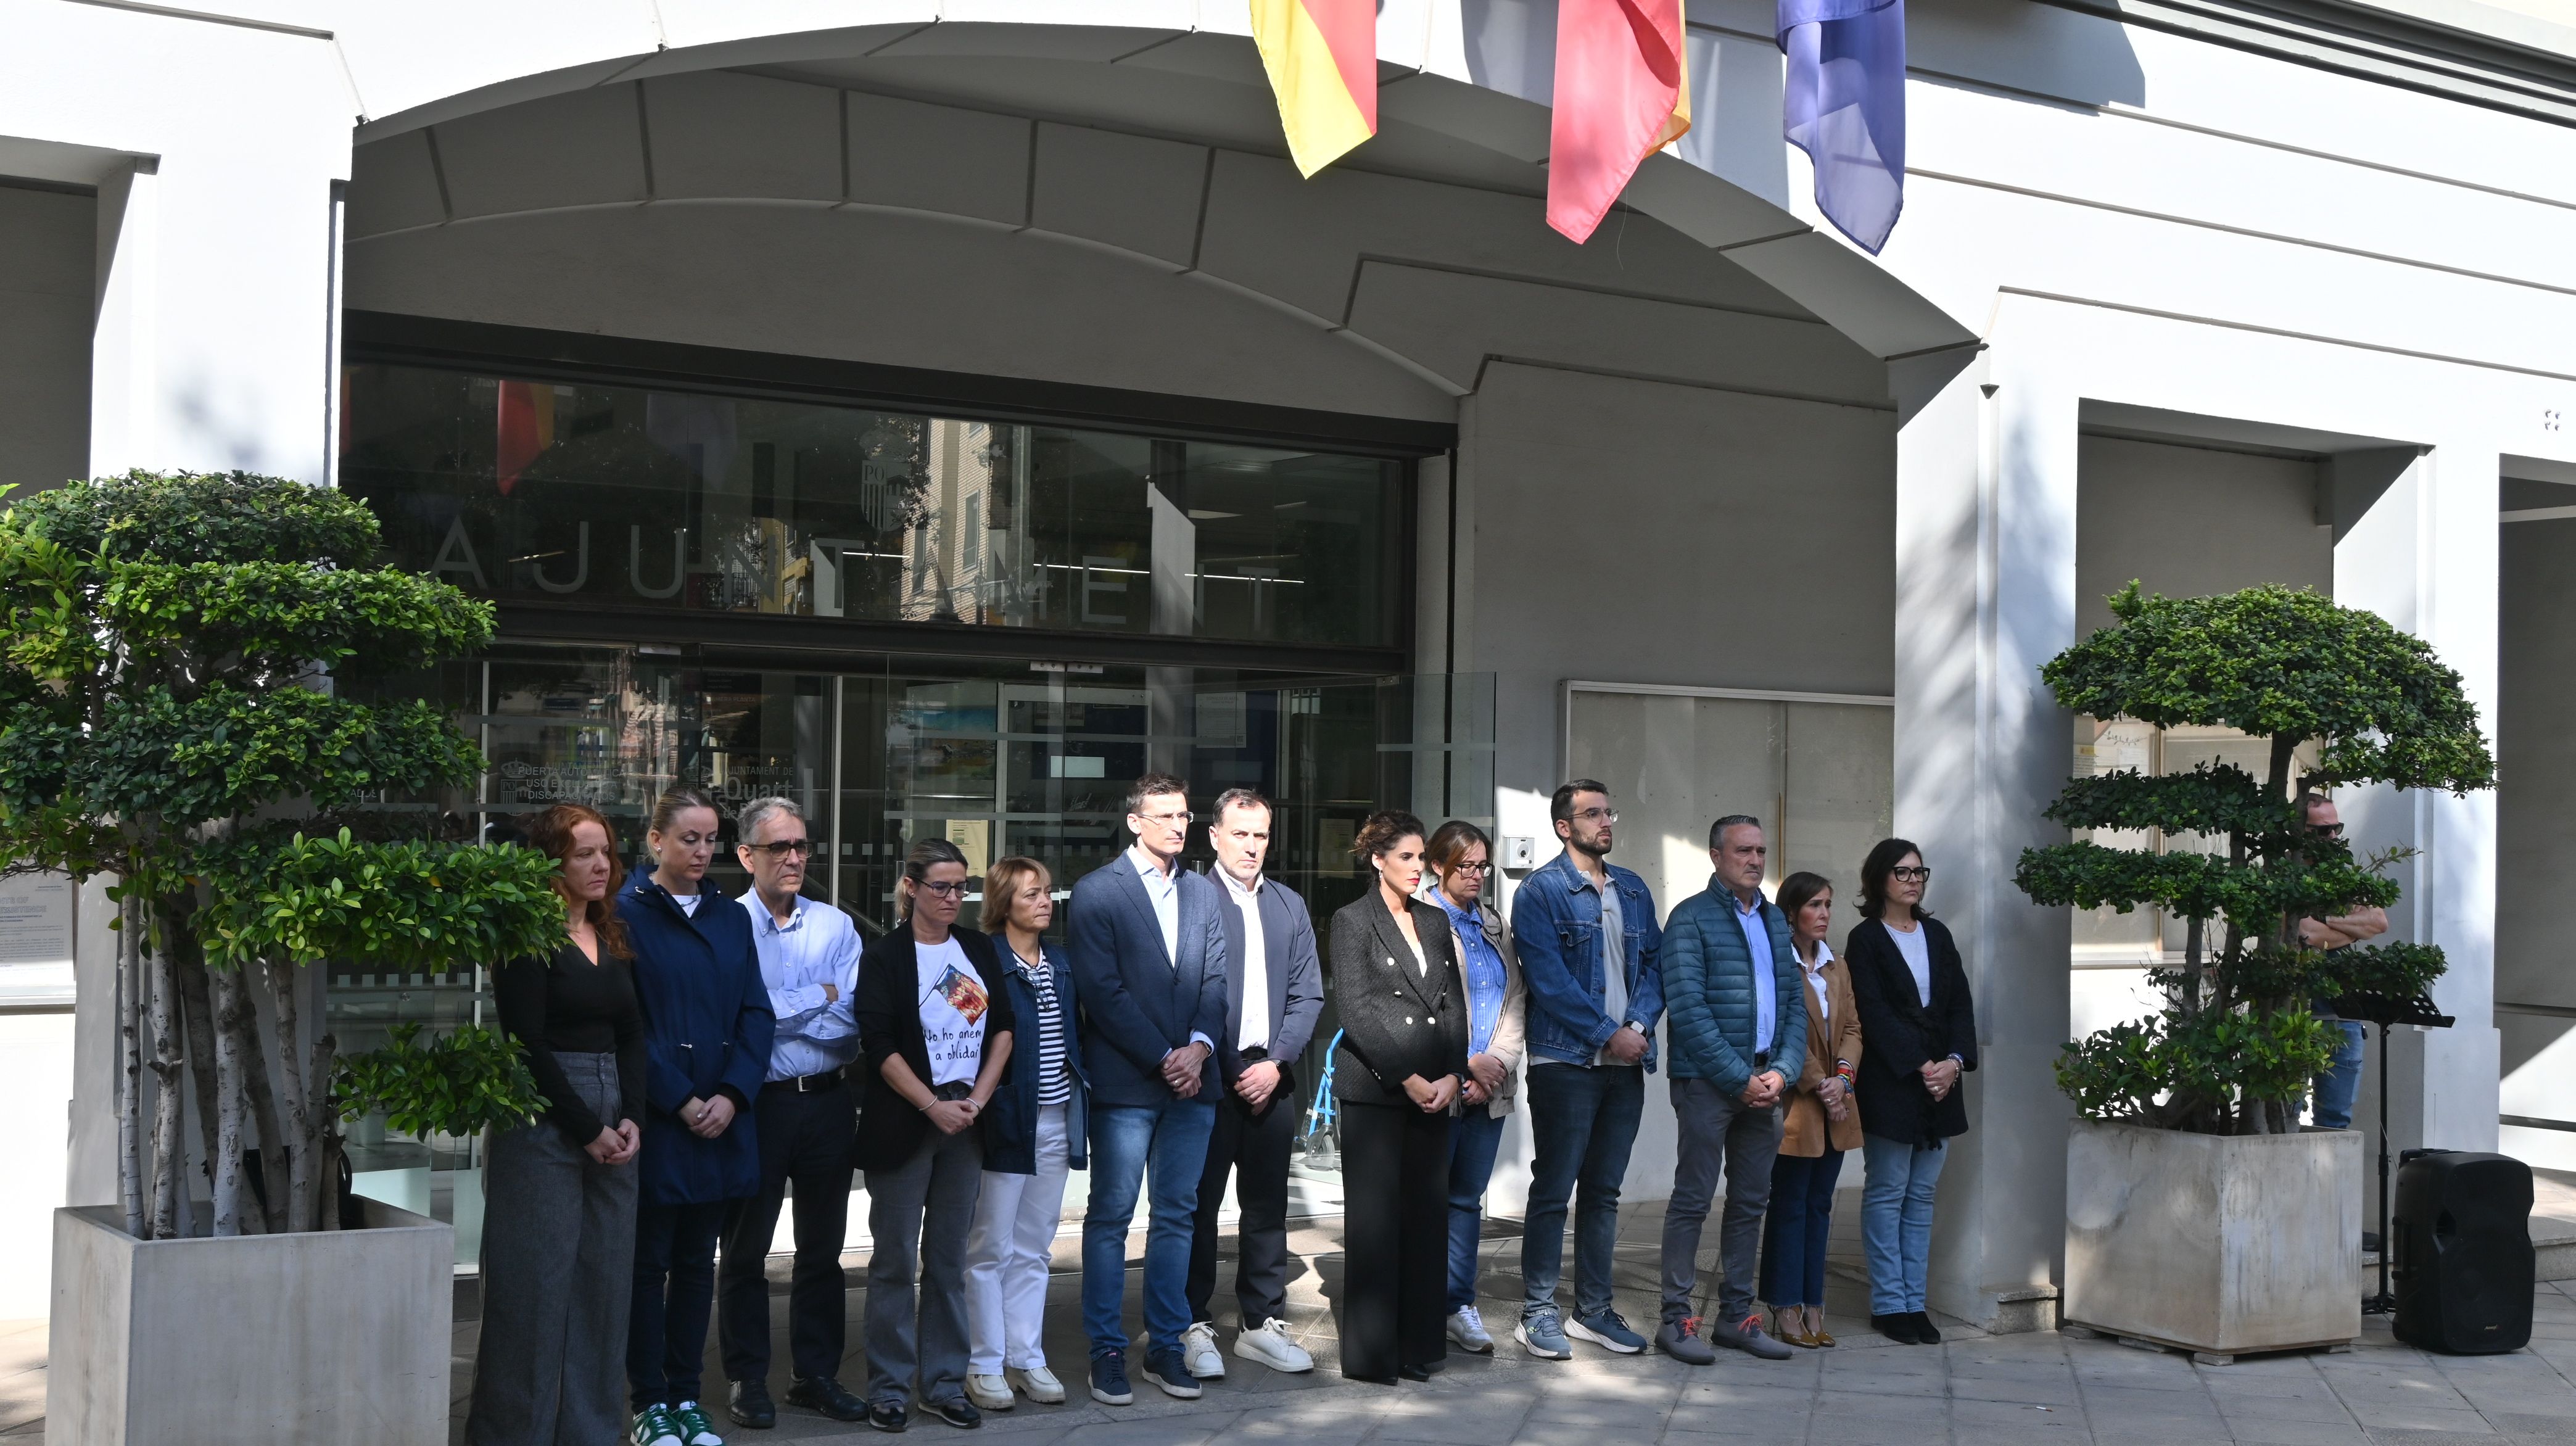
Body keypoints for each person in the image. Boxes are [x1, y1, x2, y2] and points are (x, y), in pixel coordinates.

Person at [468, 803, 645, 1446]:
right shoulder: (526, 934)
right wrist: (586, 1126)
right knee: (533, 1287)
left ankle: (592, 1433)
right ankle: (514, 1434)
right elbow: (528, 1042)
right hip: (543, 1116)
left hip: (613, 1112)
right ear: (552, 863)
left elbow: (631, 1032)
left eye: (606, 853)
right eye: (583, 854)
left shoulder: (614, 934)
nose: (601, 865)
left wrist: (630, 1119)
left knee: (604, 1285)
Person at [1067, 774, 1229, 1406]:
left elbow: (1217, 978)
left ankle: (1166, 1343)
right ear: (1135, 822)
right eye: (1165, 816)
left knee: (1178, 1215)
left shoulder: (1200, 892)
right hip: (1127, 1083)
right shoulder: (1096, 892)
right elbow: (1102, 992)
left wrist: (1198, 1047)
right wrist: (1166, 1056)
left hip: (1194, 1082)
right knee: (1110, 1217)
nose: (1178, 826)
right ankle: (1107, 1348)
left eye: (1184, 815)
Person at [621, 787, 777, 1446]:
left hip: (722, 1116)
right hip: (665, 1117)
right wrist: (682, 1098)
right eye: (689, 838)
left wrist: (735, 1093)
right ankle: (648, 1401)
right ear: (655, 840)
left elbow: (756, 1012)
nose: (703, 850)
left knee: (697, 1265)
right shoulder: (625, 912)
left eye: (711, 838)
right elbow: (630, 1025)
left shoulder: (730, 916)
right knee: (647, 1263)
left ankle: (686, 1396)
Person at [853, 837, 1018, 1432]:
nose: (954, 898)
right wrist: (931, 1105)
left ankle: (944, 1383)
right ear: (911, 888)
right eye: (942, 887)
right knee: (895, 1259)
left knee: (948, 1259)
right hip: (906, 1122)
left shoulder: (975, 947)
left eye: (961, 887)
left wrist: (975, 1099)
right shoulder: (886, 956)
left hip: (967, 1121)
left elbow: (1003, 1029)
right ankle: (890, 1387)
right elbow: (879, 1047)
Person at [714, 798, 865, 1429]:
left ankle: (815, 1375)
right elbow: (738, 1020)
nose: (797, 858)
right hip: (759, 1106)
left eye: (802, 845)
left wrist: (777, 1009)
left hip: (830, 1100)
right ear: (747, 855)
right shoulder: (725, 926)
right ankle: (748, 1377)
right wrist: (817, 995)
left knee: (823, 1250)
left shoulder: (837, 926)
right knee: (745, 1250)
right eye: (780, 848)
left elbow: (852, 1021)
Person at [1508, 780, 1664, 1360]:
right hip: (1565, 1063)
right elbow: (1549, 981)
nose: (1605, 822)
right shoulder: (1541, 891)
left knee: (1603, 1192)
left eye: (1608, 811)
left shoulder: (1633, 888)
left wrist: (1640, 1029)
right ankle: (1538, 1312)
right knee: (1553, 1190)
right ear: (1563, 826)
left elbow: (1656, 966)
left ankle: (1593, 1312)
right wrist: (1609, 1035)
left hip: (1625, 1066)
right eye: (1592, 813)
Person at [1183, 788, 1326, 1379]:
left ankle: (1261, 1322)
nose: (1251, 845)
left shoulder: (1289, 905)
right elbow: (1185, 994)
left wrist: (1279, 1062)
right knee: (1197, 1206)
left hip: (1274, 1074)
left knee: (1266, 1207)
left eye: (1260, 834)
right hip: (1209, 1079)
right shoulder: (1192, 898)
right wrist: (1228, 1069)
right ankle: (1190, 1322)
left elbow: (1309, 992)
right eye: (1239, 833)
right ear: (1214, 836)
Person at [1655, 816, 1805, 1365]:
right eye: (1744, 850)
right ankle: (1676, 1320)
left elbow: (1794, 1007)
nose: (1756, 860)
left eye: (1762, 851)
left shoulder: (1775, 922)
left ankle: (1737, 1317)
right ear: (1716, 856)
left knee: (1749, 1203)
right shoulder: (1690, 919)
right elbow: (1688, 1011)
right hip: (1708, 1084)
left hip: (1766, 1081)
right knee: (1693, 1200)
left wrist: (1782, 1073)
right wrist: (1738, 1079)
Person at [1330, 811, 1471, 1383]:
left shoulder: (1435, 922)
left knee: (1425, 1221)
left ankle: (1418, 1348)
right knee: (1376, 1225)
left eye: (1422, 858)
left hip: (1435, 1094)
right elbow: (1356, 1011)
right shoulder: (1351, 919)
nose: (1419, 868)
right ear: (1378, 860)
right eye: (1407, 857)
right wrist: (1409, 1078)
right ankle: (1372, 1356)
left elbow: (1454, 1005)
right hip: (1378, 1095)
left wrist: (1454, 1076)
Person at [962, 856, 1088, 1413]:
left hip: (1058, 1117)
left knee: (1035, 1248)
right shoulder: (981, 959)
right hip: (1007, 1120)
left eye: (1046, 893)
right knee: (989, 1246)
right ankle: (984, 1362)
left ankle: (1026, 1355)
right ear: (1003, 903)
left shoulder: (1061, 962)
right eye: (1031, 894)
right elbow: (962, 1033)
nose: (1045, 902)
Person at [1843, 837, 1977, 1346]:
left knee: (1921, 1195)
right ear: (1879, 880)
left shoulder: (1938, 934)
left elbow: (1960, 1004)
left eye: (1919, 872)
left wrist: (1953, 1063)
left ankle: (1914, 1303)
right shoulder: (1866, 939)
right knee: (1887, 1191)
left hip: (1942, 1082)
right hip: (1894, 1081)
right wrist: (1921, 1065)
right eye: (1902, 872)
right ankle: (1889, 1304)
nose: (1914, 880)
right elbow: (1871, 1013)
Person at [1419, 819, 1525, 1355]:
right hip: (1441, 1084)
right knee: (1427, 1199)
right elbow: (1418, 1010)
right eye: (1467, 866)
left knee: (1466, 1201)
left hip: (1491, 1089)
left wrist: (1496, 1066)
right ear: (1438, 865)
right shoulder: (1417, 919)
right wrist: (1464, 1067)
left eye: (1483, 866)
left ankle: (1459, 1303)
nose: (1478, 875)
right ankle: (1418, 1302)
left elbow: (1516, 998)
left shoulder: (1493, 924)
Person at [1759, 871, 1863, 1349]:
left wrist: (1842, 1079)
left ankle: (1814, 1302)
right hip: (1797, 1102)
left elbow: (1854, 1029)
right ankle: (1784, 1304)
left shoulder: (1837, 965)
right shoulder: (1779, 964)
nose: (1823, 914)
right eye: (1814, 905)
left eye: (1828, 905)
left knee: (1821, 1205)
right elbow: (1783, 1028)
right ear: (1791, 913)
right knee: (1790, 1205)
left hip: (1837, 1101)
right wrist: (1819, 1082)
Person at [2300, 790, 2388, 1130]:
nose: (2333, 836)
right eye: (2323, 830)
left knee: (2336, 1120)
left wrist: (2323, 917)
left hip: (2343, 1016)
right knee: (2285, 1114)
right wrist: (2352, 928)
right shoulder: (2282, 876)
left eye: (2337, 828)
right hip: (2294, 1012)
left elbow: (2378, 922)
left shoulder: (2342, 873)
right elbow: (2307, 935)